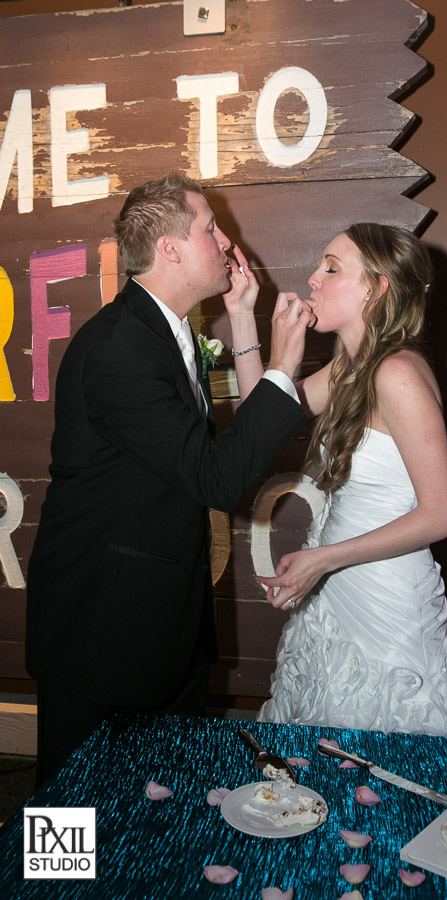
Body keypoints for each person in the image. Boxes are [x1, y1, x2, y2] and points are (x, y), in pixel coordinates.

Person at [26, 172, 313, 784]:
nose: (227, 242)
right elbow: (216, 478)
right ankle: (44, 885)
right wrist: (284, 368)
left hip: (165, 626)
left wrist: (241, 318)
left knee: (155, 818)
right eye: (211, 228)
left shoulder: (167, 331)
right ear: (171, 248)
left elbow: (210, 458)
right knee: (68, 821)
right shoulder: (118, 349)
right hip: (101, 632)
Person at [226, 222, 447, 736]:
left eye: (332, 268)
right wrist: (243, 317)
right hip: (336, 594)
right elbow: (258, 422)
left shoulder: (396, 373)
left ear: (377, 287)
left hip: (384, 603)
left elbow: (443, 514)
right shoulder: (350, 370)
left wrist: (324, 559)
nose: (313, 279)